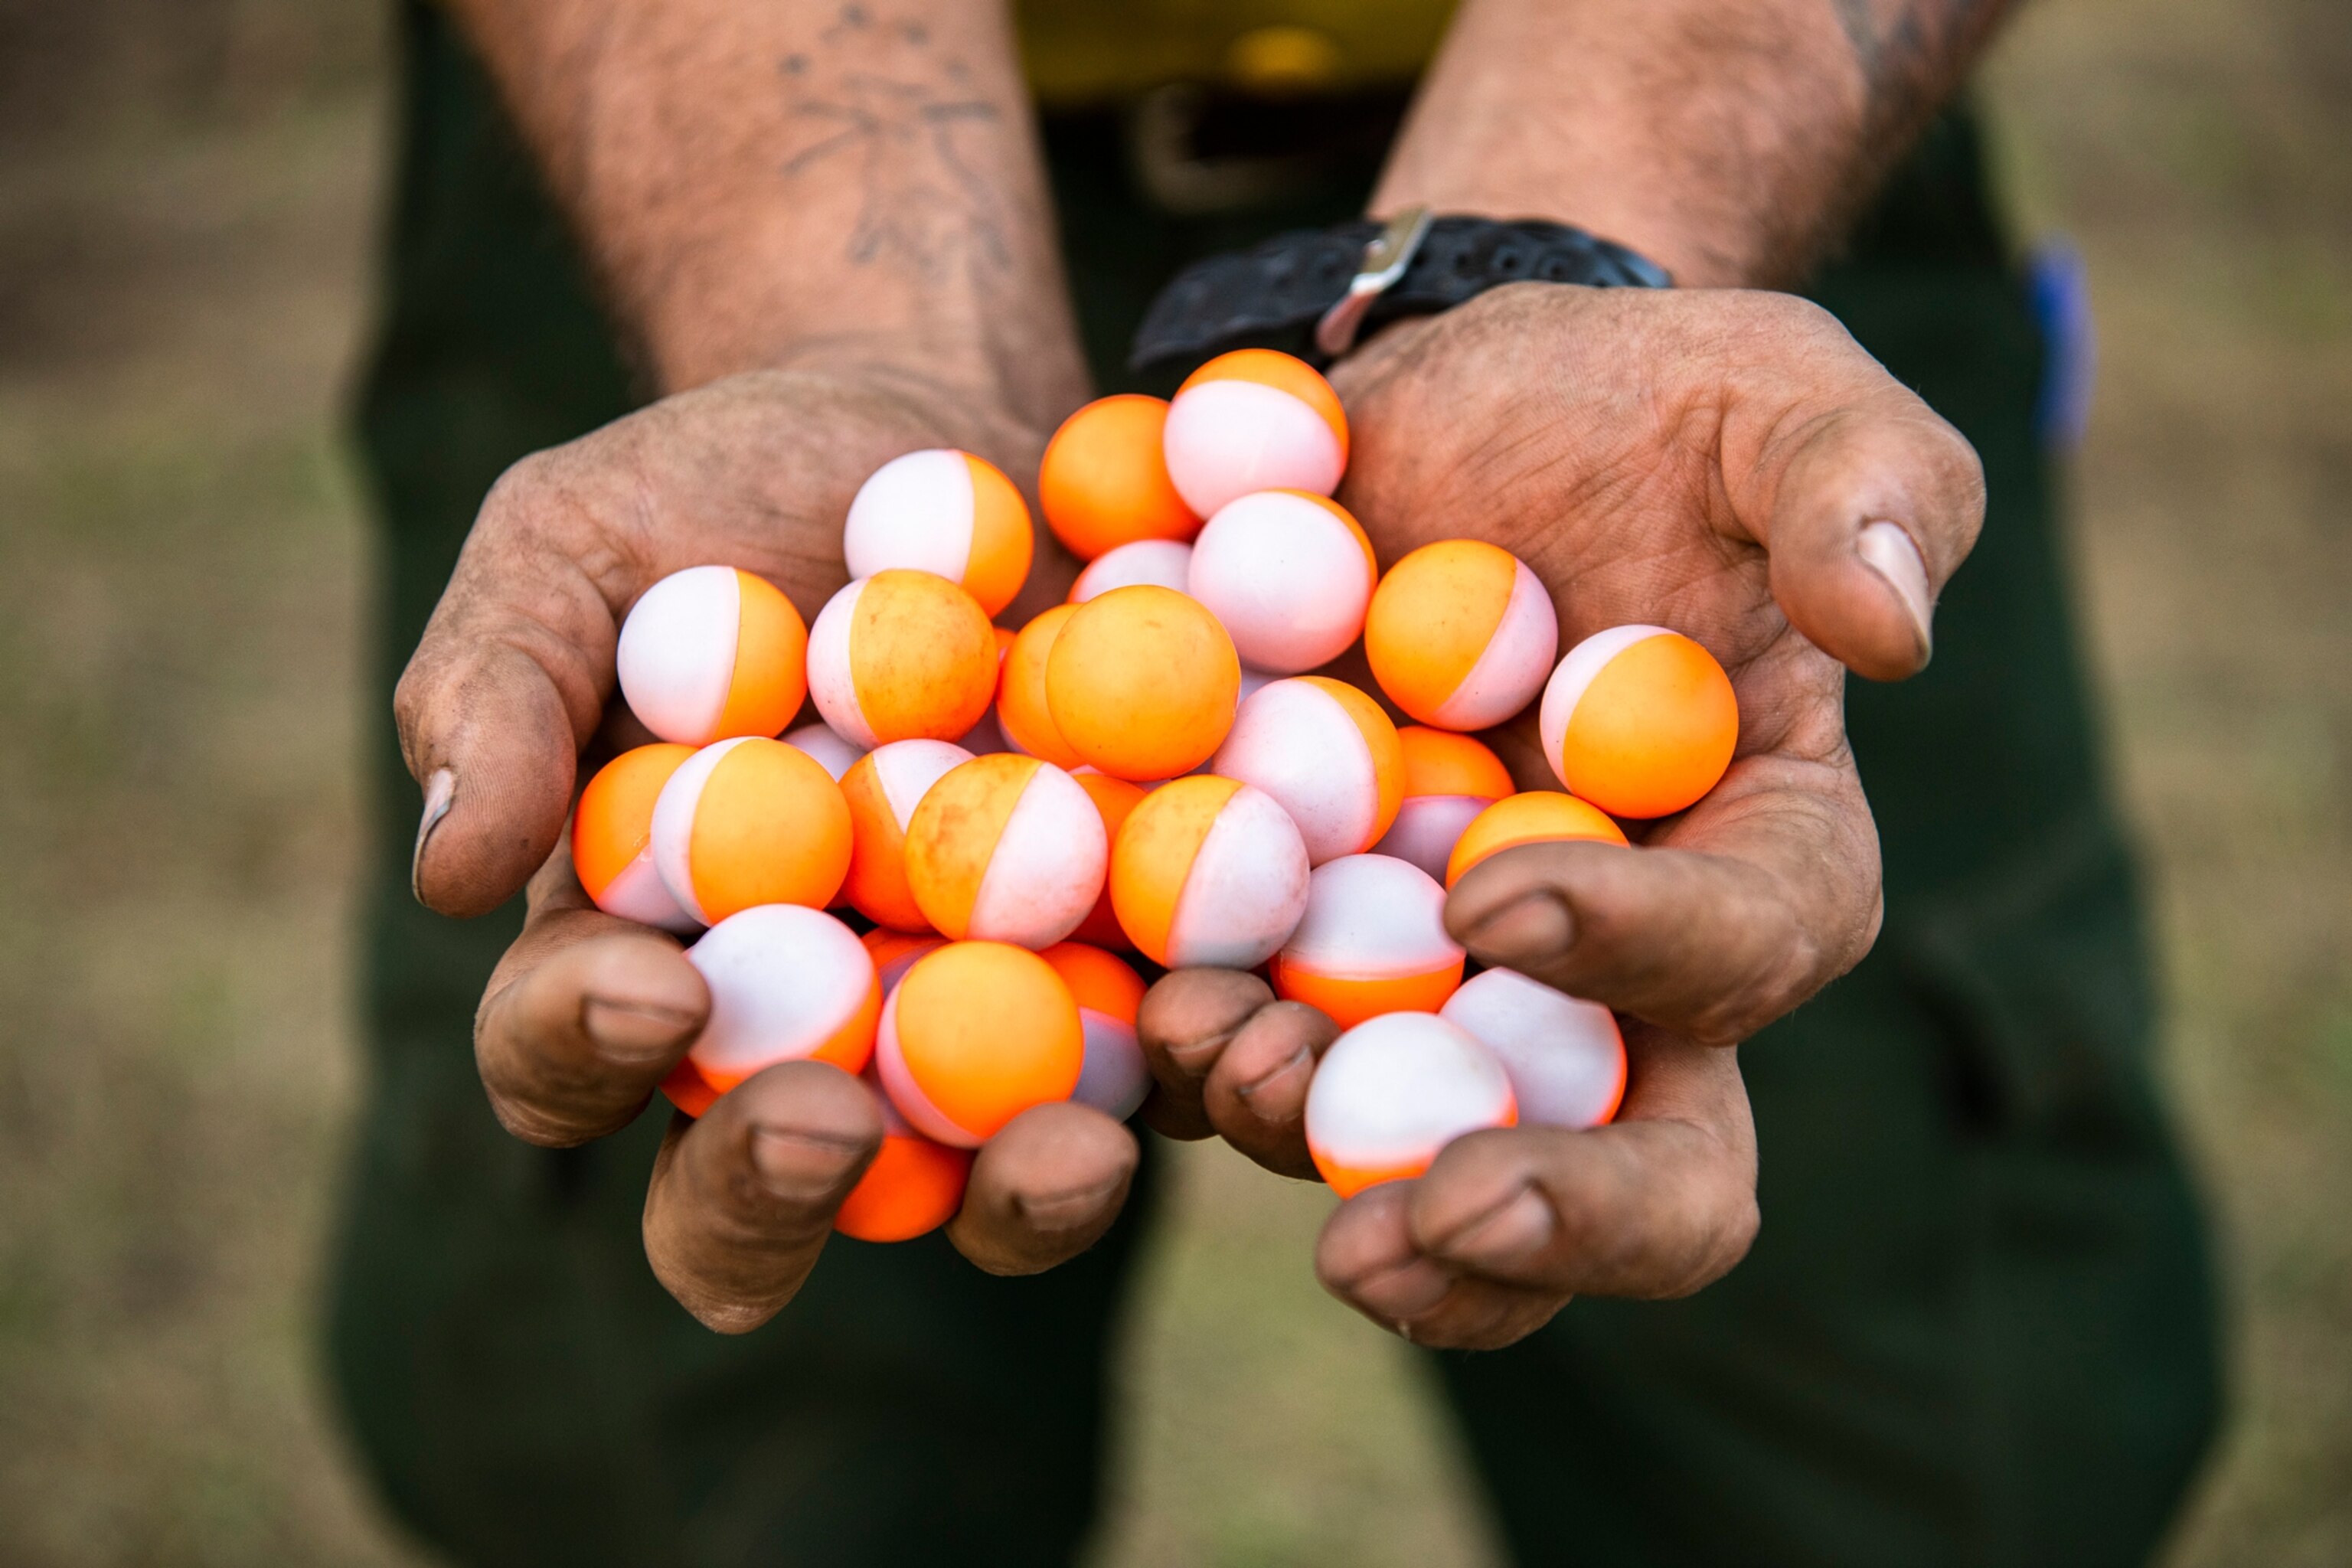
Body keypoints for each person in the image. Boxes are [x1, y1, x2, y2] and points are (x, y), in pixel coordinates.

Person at [332, 1, 2219, 1561]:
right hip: (709, 159)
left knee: (1929, 1450)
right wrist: (833, 317)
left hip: (1689, 191)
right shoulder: (889, 673)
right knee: (681, 1476)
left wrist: (1560, 232)